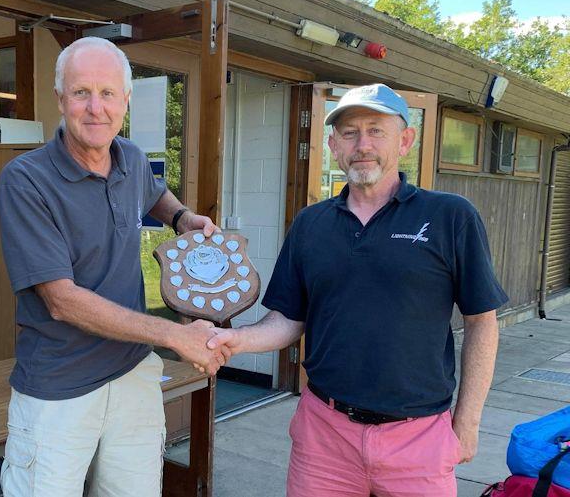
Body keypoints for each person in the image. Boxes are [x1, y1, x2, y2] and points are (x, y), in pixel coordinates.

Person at [208, 84, 508, 497]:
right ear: (333, 144)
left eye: (375, 130)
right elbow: (287, 320)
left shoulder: (450, 216)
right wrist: (233, 340)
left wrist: (467, 422)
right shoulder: (310, 224)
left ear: (405, 140)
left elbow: (482, 323)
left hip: (418, 437)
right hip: (324, 436)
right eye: (349, 132)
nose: (362, 144)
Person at [0, 36, 225, 497]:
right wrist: (172, 335)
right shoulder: (25, 180)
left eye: (107, 93)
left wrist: (181, 218)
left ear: (126, 99)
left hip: (132, 375)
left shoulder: (131, 158)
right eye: (81, 92)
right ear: (60, 100)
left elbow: (153, 193)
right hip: (58, 389)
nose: (95, 107)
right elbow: (60, 301)